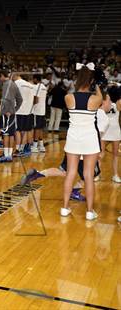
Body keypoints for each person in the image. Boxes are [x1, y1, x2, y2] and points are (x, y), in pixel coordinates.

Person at [61, 64, 102, 221]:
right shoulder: (96, 99)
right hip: (90, 139)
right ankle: (90, 211)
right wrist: (96, 84)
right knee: (88, 175)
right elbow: (100, 97)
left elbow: (74, 95)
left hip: (73, 138)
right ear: (90, 81)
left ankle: (65, 208)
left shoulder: (68, 97)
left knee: (71, 173)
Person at [0, 69, 23, 162]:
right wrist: (14, 110)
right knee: (11, 134)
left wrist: (7, 110)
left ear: (2, 76)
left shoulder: (6, 84)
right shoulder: (14, 84)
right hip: (12, 113)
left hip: (6, 113)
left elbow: (6, 99)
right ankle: (9, 155)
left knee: (6, 134)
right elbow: (20, 99)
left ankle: (6, 155)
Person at [100, 84, 121, 183]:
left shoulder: (114, 102)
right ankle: (114, 175)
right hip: (111, 129)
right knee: (114, 154)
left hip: (107, 129)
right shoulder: (117, 102)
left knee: (102, 153)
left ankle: (112, 174)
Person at [14, 74, 35, 157]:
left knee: (17, 131)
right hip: (29, 111)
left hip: (19, 111)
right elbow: (35, 99)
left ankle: (18, 149)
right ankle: (22, 149)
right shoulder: (31, 85)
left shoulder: (16, 83)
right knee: (25, 131)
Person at [31, 75, 48, 152]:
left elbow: (36, 99)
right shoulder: (44, 87)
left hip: (37, 110)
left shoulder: (37, 87)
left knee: (36, 128)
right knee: (40, 128)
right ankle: (41, 145)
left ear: (35, 79)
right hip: (42, 110)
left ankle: (34, 146)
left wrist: (30, 104)